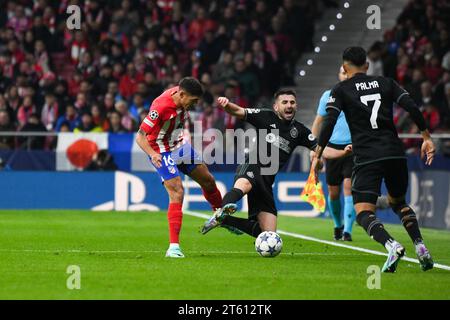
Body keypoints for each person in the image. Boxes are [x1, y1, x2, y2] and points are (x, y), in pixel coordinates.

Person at [311, 46, 435, 272]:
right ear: (366, 66)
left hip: (367, 156)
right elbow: (411, 106)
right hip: (395, 153)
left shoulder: (341, 89)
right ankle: (421, 247)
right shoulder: (386, 82)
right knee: (398, 202)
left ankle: (392, 245)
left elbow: (328, 122)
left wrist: (318, 153)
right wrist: (426, 137)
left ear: (345, 67)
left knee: (364, 212)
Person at [201, 89, 350, 237]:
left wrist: (343, 152)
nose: (289, 105)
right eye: (284, 102)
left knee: (268, 234)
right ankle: (222, 210)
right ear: (276, 107)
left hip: (267, 181)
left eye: (292, 102)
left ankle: (225, 220)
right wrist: (227, 105)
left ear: (296, 106)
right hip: (252, 165)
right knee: (245, 184)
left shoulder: (300, 131)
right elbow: (239, 111)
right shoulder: (265, 116)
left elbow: (321, 150)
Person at [136, 77, 223, 258]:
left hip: (179, 145)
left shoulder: (182, 92)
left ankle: (220, 216)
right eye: (193, 101)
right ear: (181, 95)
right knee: (177, 191)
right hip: (161, 149)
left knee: (208, 180)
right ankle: (173, 247)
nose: (195, 104)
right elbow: (140, 136)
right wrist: (153, 154)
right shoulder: (160, 107)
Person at [312, 67, 356, 241]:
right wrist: (314, 148)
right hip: (331, 148)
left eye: (347, 72)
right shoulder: (328, 96)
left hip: (353, 147)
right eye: (342, 72)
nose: (345, 75)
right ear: (338, 75)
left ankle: (348, 231)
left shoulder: (358, 95)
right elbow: (318, 122)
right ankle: (338, 225)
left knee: (348, 187)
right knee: (333, 191)